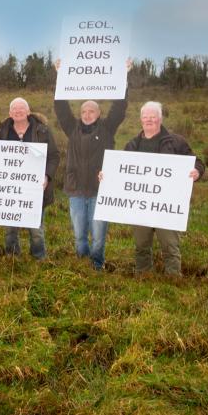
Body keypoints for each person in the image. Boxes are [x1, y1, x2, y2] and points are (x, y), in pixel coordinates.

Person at [53, 59, 130, 270]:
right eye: (84, 111)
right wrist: (60, 75)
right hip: (76, 189)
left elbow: (119, 107)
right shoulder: (72, 128)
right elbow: (60, 107)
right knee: (79, 234)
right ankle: (81, 263)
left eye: (92, 111)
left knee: (98, 234)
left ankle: (97, 265)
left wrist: (123, 76)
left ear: (99, 114)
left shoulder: (108, 128)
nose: (87, 114)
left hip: (99, 190)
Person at [118, 101, 204, 276]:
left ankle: (173, 281)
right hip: (141, 205)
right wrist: (107, 177)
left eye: (153, 117)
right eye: (145, 117)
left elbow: (197, 162)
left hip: (167, 206)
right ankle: (143, 277)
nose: (149, 120)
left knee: (170, 246)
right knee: (141, 245)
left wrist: (197, 171)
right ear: (140, 120)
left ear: (160, 118)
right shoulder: (132, 145)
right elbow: (120, 170)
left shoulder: (176, 142)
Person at [0, 97, 60, 259]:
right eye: (14, 109)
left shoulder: (42, 130)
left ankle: (38, 257)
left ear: (28, 111)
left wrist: (47, 176)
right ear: (10, 113)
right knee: (10, 227)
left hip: (35, 189)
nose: (18, 111)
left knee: (36, 228)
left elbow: (54, 156)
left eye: (21, 108)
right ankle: (12, 256)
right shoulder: (2, 131)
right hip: (10, 190)